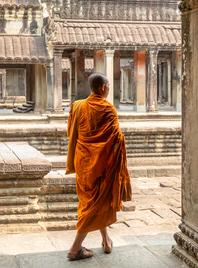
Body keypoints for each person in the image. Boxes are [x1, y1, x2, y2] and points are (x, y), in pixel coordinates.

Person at [66, 73, 132, 261]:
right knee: (93, 204)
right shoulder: (108, 109)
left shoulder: (77, 106)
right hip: (103, 164)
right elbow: (115, 140)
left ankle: (106, 240)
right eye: (109, 85)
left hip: (84, 163)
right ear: (103, 87)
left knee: (94, 201)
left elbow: (72, 132)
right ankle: (75, 248)